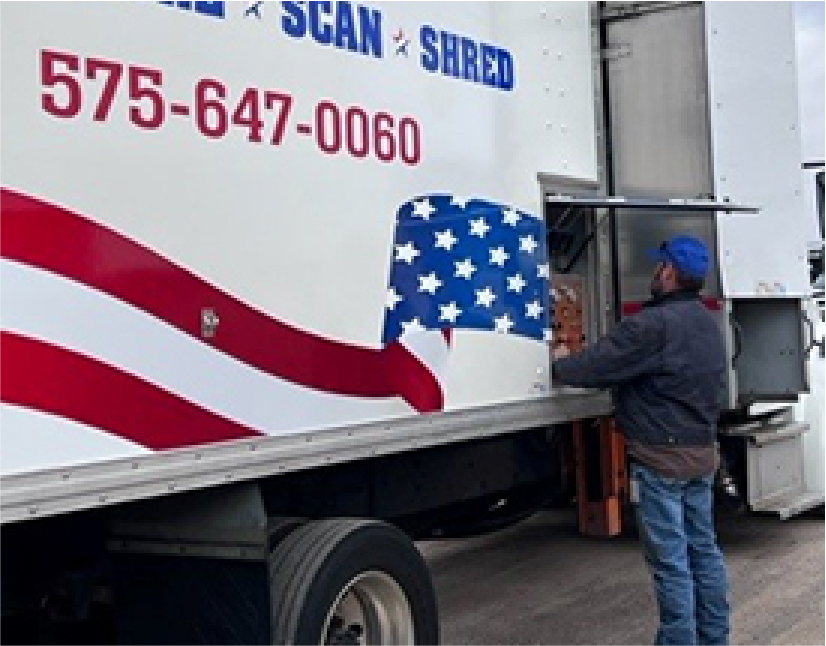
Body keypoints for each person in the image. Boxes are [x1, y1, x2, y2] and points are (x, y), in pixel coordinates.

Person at [552, 235, 730, 645]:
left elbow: (596, 366)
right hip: (701, 451)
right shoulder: (705, 320)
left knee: (671, 562)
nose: (654, 273)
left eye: (658, 266)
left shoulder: (651, 326)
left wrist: (559, 363)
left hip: (662, 457)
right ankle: (715, 638)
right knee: (703, 551)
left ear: (668, 272)